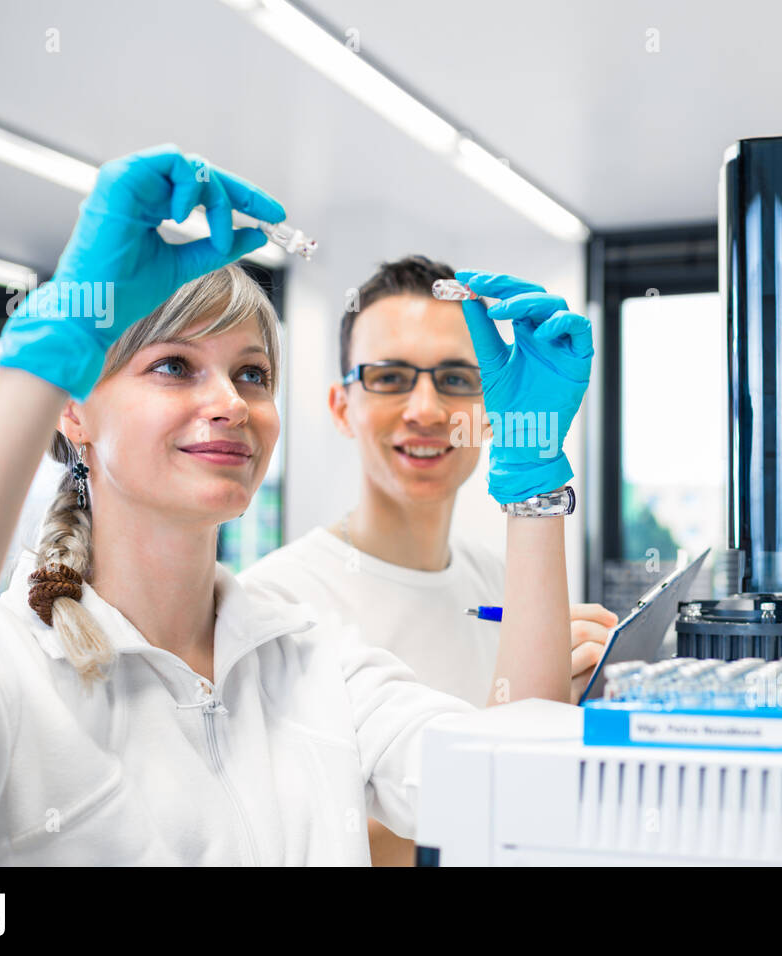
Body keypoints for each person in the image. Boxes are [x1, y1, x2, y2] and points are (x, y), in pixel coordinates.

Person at [0, 144, 592, 865]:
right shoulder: (9, 670)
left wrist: (531, 490)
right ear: (74, 412)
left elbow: (517, 800)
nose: (230, 403)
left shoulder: (313, 661)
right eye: (174, 366)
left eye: (252, 373)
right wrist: (41, 360)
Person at [239, 255, 616, 865]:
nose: (426, 410)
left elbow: (530, 798)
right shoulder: (273, 604)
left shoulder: (503, 577)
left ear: (495, 404)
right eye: (389, 378)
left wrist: (565, 704)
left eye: (457, 379)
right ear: (342, 407)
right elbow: (302, 841)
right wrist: (522, 735)